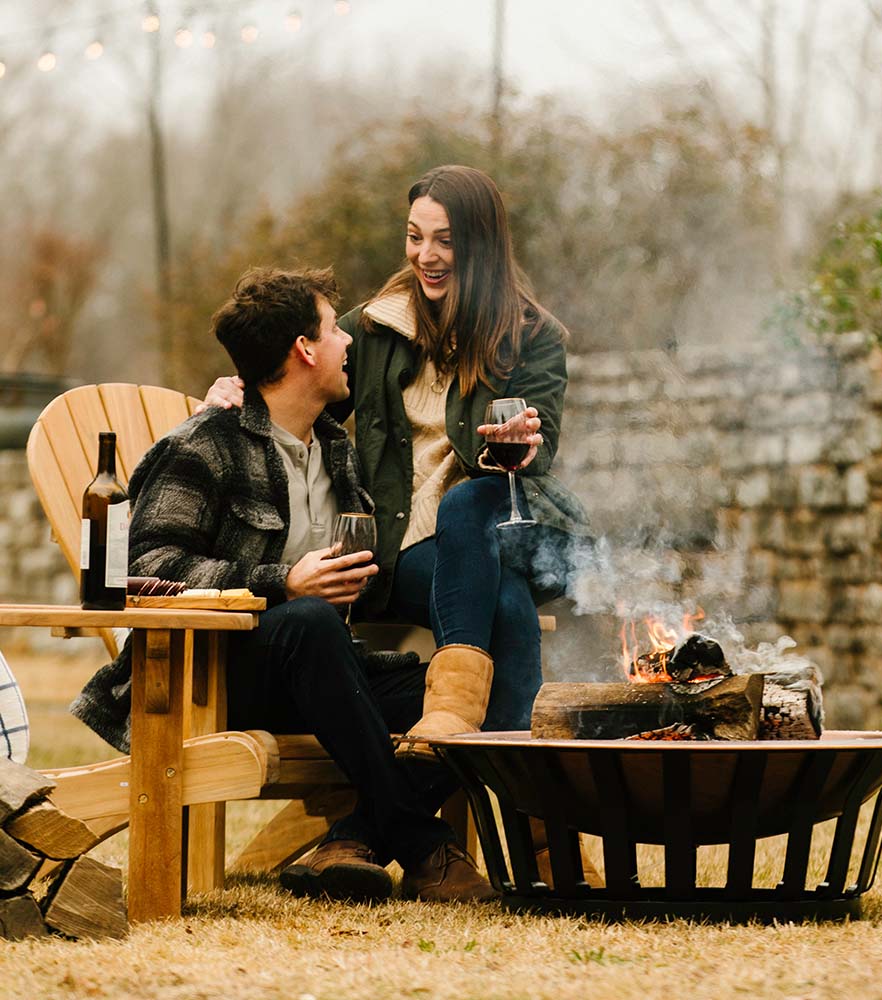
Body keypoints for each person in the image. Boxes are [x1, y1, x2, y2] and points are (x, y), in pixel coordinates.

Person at [71, 266, 497, 904]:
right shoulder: (202, 447)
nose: (348, 342)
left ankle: (353, 840)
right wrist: (281, 583)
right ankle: (423, 845)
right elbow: (147, 564)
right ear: (304, 349)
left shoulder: (335, 449)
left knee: (458, 686)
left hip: (325, 675)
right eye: (334, 330)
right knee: (306, 622)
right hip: (212, 680)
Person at [203, 165, 591, 760]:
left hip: (508, 529)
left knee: (469, 501)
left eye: (445, 240)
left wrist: (526, 438)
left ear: (481, 245)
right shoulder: (374, 328)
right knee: (507, 607)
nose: (426, 256)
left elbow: (544, 439)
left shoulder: (531, 335)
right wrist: (234, 392)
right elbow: (297, 377)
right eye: (415, 237)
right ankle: (537, 821)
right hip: (405, 545)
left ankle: (447, 718)